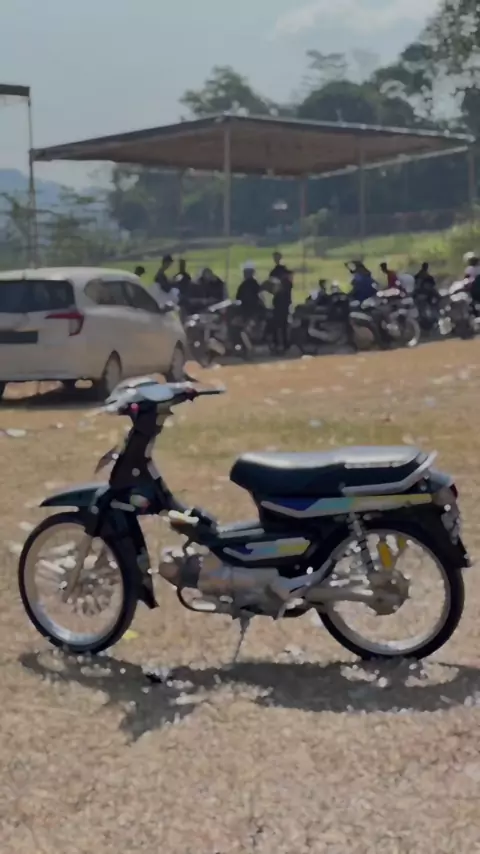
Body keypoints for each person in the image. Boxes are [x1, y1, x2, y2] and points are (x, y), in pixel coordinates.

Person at [271, 268, 293, 353]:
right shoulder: (285, 283)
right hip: (282, 308)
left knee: (280, 327)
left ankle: (280, 344)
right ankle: (283, 343)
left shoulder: (285, 284)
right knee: (282, 327)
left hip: (281, 308)